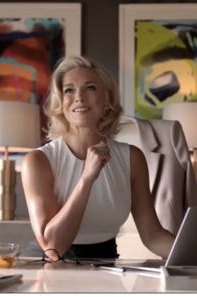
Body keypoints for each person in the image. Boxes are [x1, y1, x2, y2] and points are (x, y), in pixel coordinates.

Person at [21, 55, 175, 262]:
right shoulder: (37, 161)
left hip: (107, 264)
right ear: (60, 102)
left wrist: (190, 255)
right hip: (50, 267)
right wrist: (86, 179)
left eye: (90, 88)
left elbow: (153, 236)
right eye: (69, 90)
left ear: (107, 99)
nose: (79, 97)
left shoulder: (132, 158)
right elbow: (53, 247)